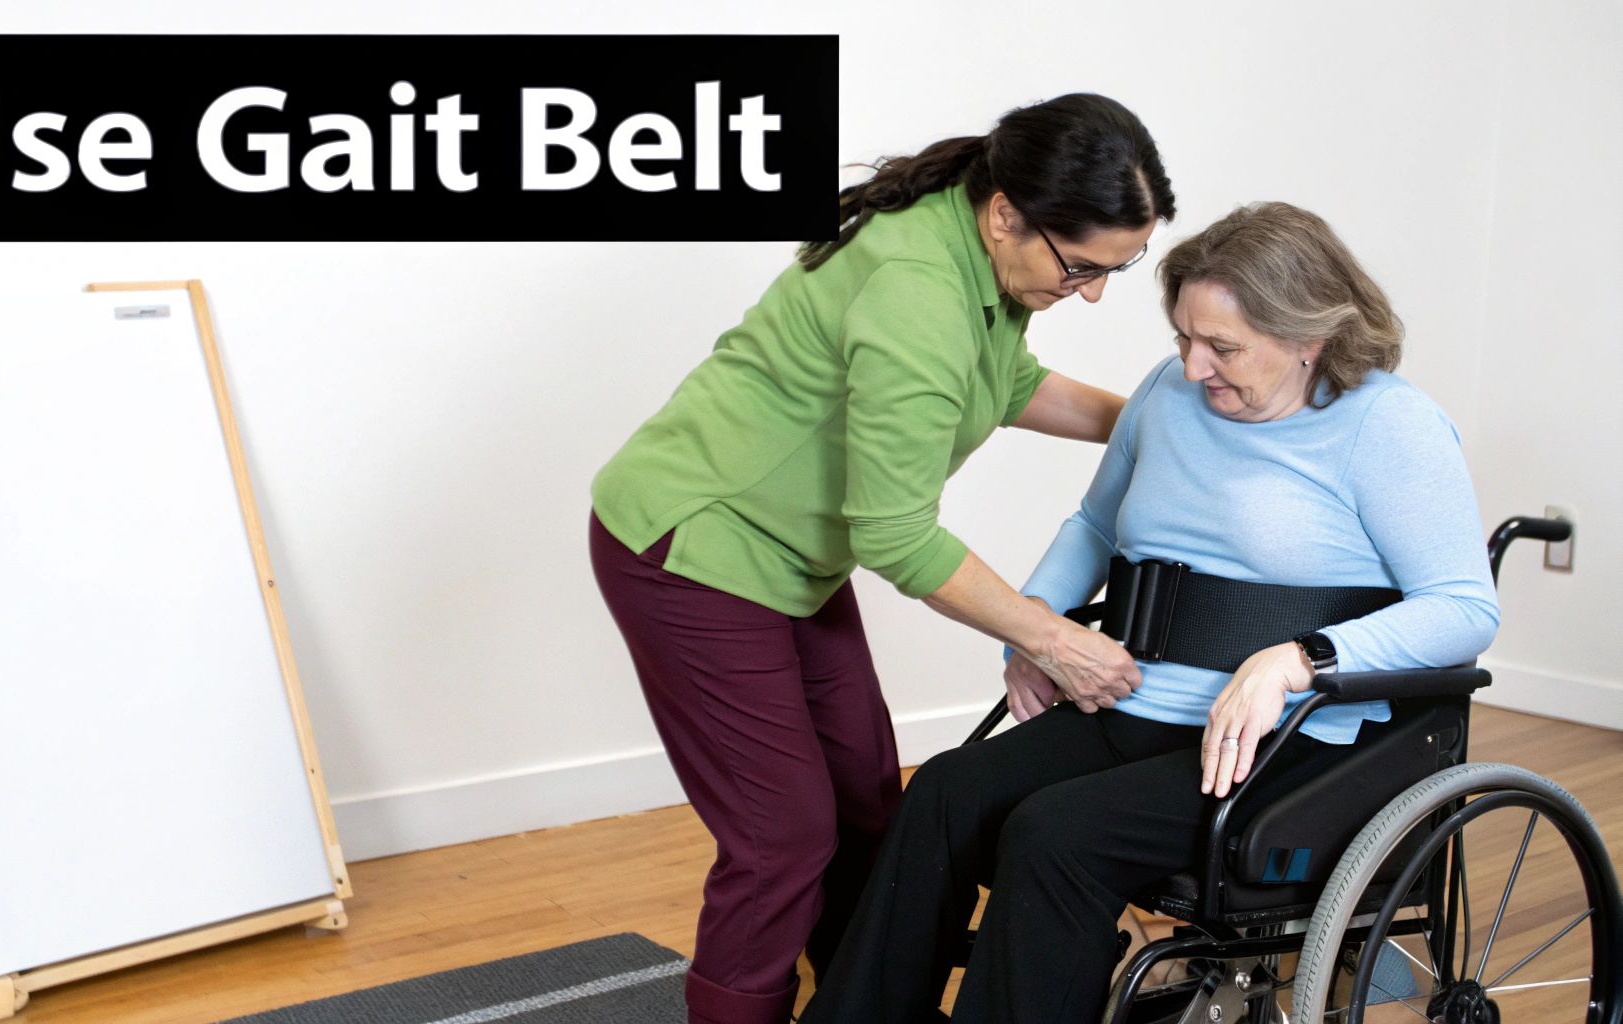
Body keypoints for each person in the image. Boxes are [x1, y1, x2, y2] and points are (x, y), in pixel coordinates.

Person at [797, 202, 1502, 1024]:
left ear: (1308, 336)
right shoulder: (1170, 393)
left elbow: (1463, 607)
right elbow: (1097, 524)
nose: (1193, 365)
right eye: (1183, 337)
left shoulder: (1389, 425)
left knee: (1056, 834)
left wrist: (1295, 658)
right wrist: (1039, 622)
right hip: (1136, 698)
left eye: (1223, 347)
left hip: (1286, 745)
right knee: (944, 795)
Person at [588, 94, 1176, 1024]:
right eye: (1082, 267)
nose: (1093, 291)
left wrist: (1156, 422)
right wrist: (1053, 637)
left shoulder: (975, 252)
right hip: (692, 547)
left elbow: (1005, 381)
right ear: (1006, 213)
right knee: (781, 838)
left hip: (789, 558)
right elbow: (895, 534)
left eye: (1118, 267)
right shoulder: (917, 286)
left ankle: (865, 1006)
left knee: (867, 802)